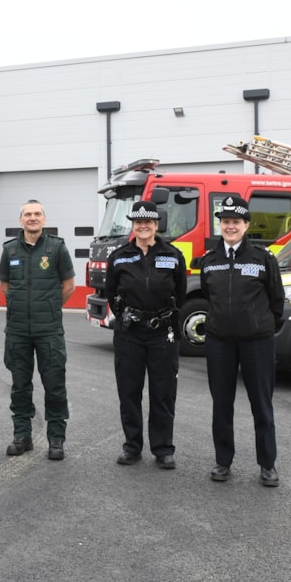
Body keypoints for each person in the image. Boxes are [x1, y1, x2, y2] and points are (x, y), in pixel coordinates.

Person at [198, 194, 285, 486]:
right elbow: (209, 297)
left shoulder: (263, 259)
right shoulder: (209, 261)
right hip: (219, 342)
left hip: (257, 342)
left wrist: (261, 326)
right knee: (221, 404)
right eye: (225, 221)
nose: (230, 226)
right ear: (219, 225)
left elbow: (276, 300)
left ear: (246, 225)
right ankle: (223, 462)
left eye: (236, 221)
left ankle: (267, 465)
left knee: (261, 404)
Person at [106, 200, 187, 469]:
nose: (143, 226)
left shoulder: (173, 255)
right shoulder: (119, 256)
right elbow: (111, 292)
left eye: (148, 222)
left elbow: (181, 292)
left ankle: (163, 449)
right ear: (134, 225)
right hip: (130, 333)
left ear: (156, 225)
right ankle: (132, 446)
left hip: (162, 333)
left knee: (163, 392)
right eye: (138, 222)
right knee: (129, 391)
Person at [0, 199, 75, 460]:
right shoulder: (9, 250)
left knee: (54, 386)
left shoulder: (57, 248)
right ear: (20, 220)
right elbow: (5, 285)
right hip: (18, 330)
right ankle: (22, 435)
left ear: (44, 218)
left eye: (37, 214)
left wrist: (50, 307)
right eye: (28, 214)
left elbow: (69, 285)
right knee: (20, 386)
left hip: (49, 330)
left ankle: (56, 439)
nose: (33, 218)